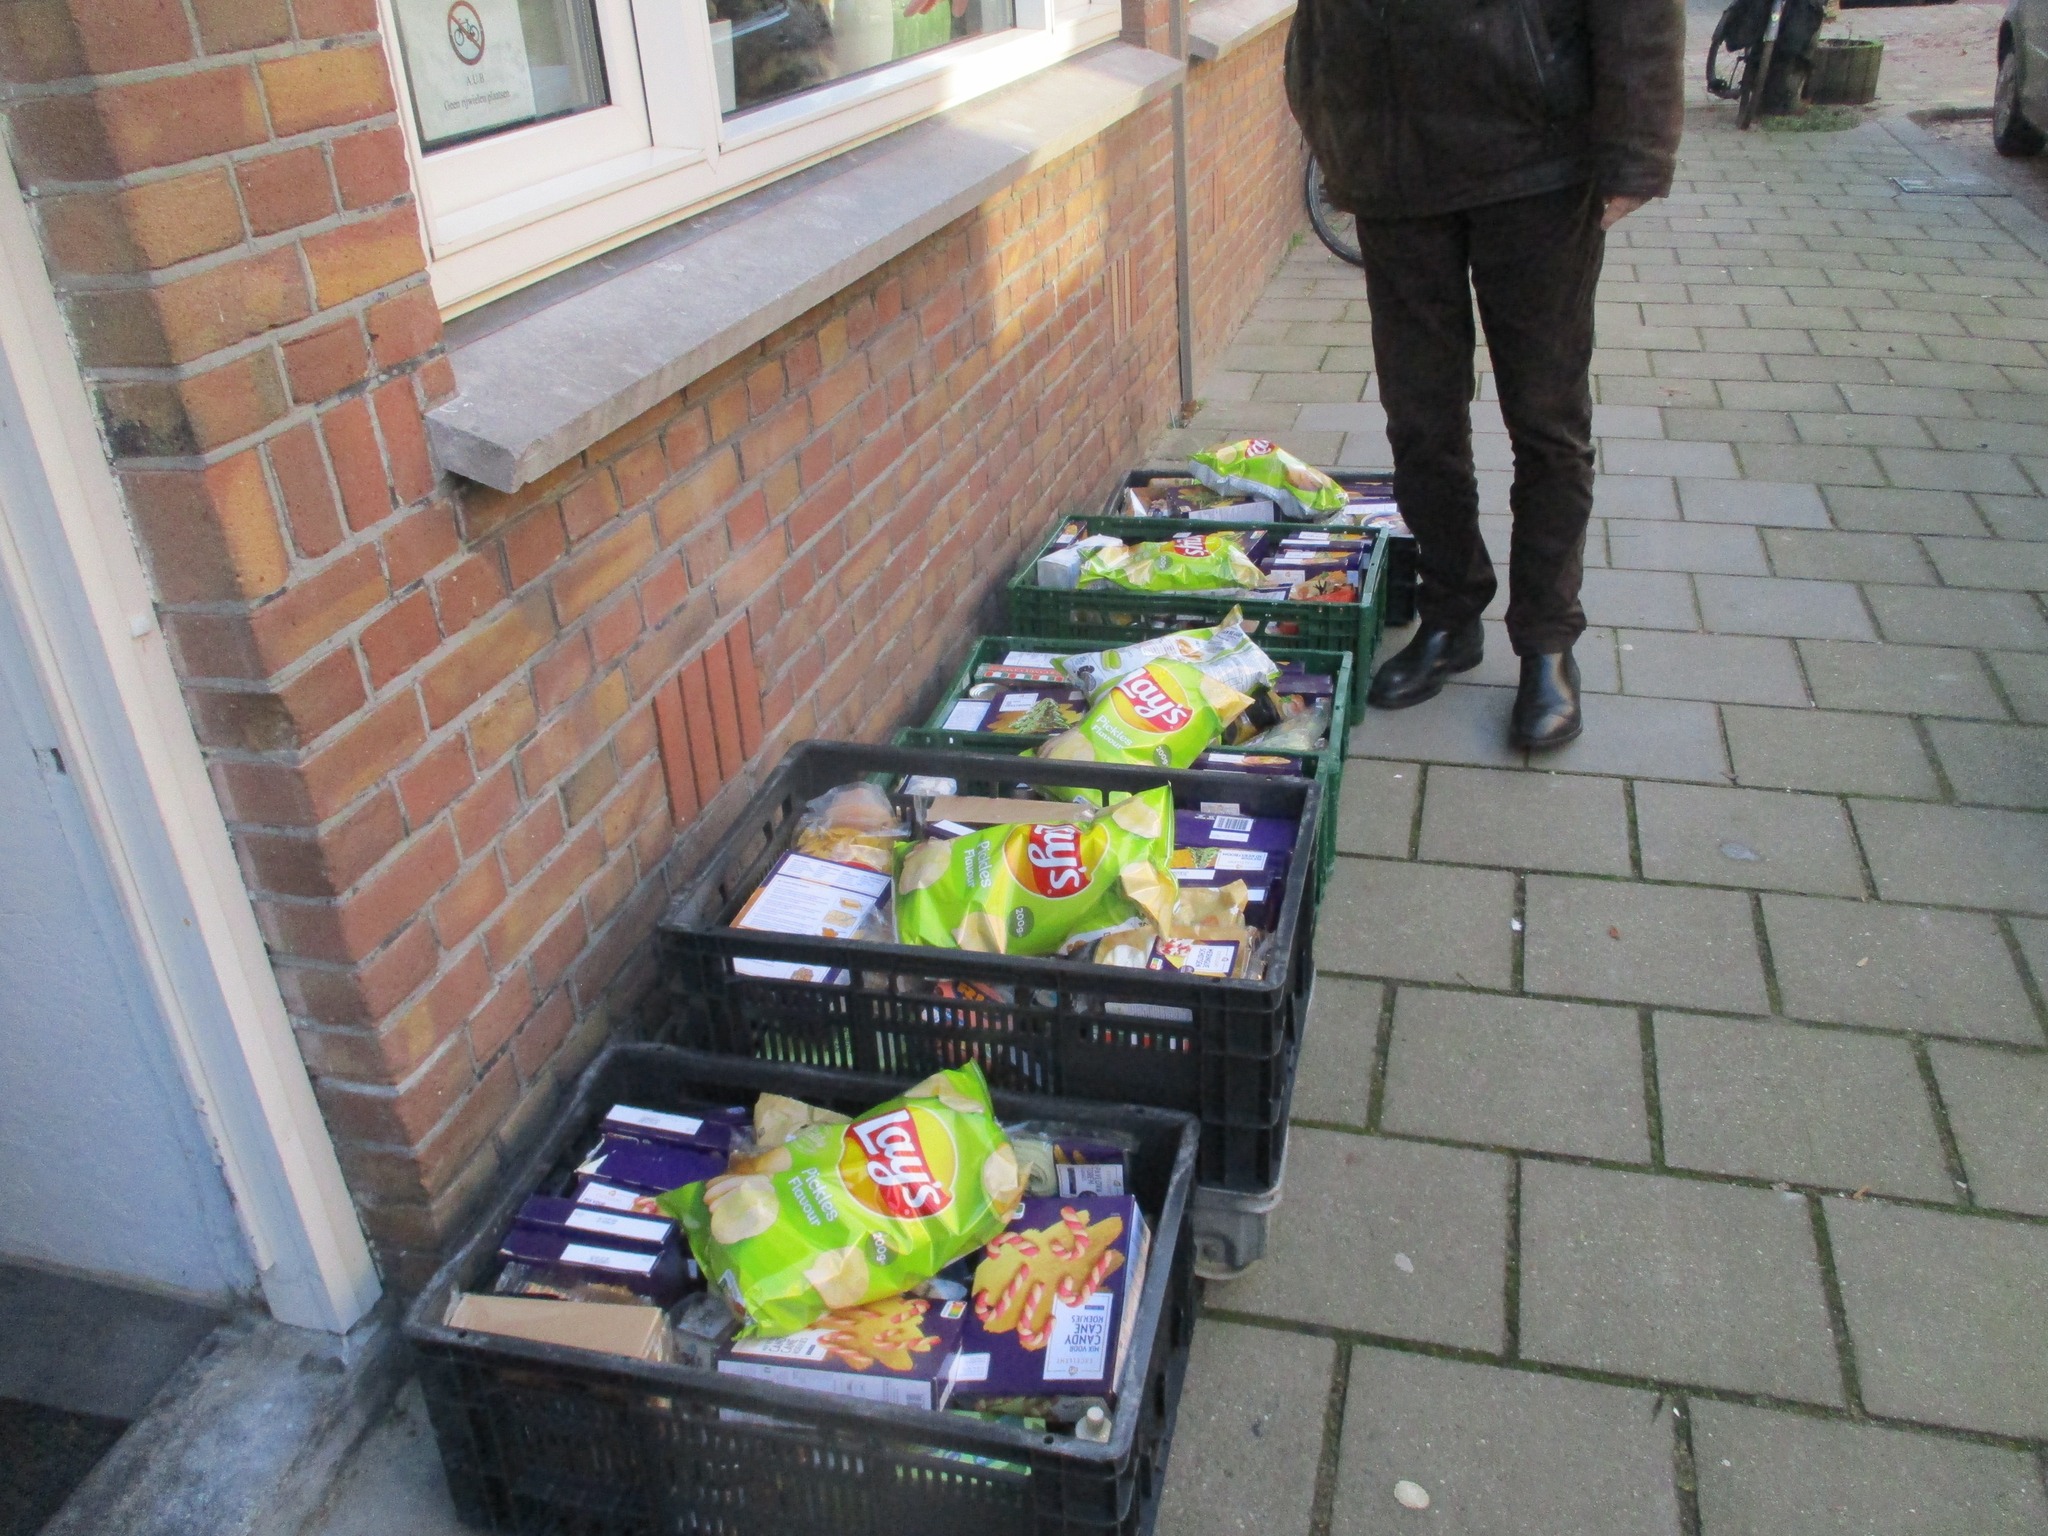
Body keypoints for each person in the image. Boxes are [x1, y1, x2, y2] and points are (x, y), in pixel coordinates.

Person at [1285, 0, 1685, 747]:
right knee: (1419, 417)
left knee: (1545, 418)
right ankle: (1451, 613)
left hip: (1536, 160)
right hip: (1393, 169)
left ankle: (1547, 641)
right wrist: (1335, 130)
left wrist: (1638, 151)